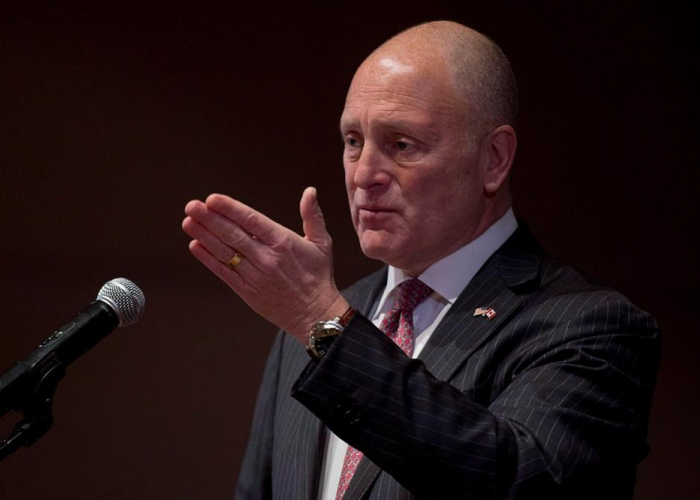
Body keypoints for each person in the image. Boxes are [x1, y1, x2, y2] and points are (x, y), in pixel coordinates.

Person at [181, 21, 659, 500]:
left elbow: (517, 483)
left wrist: (320, 319)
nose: (364, 174)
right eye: (353, 141)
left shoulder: (589, 326)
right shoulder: (315, 324)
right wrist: (318, 318)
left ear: (493, 159)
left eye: (401, 144)